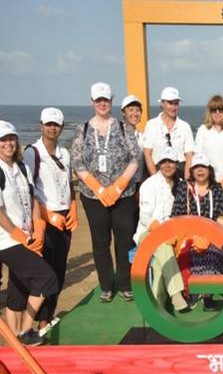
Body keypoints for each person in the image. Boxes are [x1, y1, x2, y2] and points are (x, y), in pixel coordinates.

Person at [71, 82, 140, 303]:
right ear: (92, 102)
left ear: (111, 101)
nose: (102, 103)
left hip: (124, 194)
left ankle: (126, 283)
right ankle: (106, 285)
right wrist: (99, 189)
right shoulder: (81, 129)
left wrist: (118, 187)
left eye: (106, 99)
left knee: (124, 240)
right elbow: (77, 161)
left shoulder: (123, 128)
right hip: (93, 197)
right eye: (98, 100)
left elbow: (135, 158)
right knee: (100, 242)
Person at [0, 121, 57, 346]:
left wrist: (36, 227)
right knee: (46, 277)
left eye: (11, 138)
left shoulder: (22, 167)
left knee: (18, 288)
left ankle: (14, 342)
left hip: (25, 235)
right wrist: (19, 236)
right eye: (3, 140)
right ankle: (26, 331)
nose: (8, 143)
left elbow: (32, 198)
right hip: (6, 239)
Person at [23, 108, 76, 332]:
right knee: (47, 274)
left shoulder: (65, 153)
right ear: (41, 125)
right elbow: (29, 191)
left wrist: (74, 207)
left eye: (56, 125)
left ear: (62, 128)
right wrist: (47, 215)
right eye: (48, 124)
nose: (52, 128)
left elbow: (69, 184)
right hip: (44, 220)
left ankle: (47, 319)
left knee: (60, 270)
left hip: (64, 218)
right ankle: (37, 321)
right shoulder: (32, 152)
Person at [133, 146, 190, 312]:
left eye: (171, 162)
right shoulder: (149, 185)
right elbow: (145, 217)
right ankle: (176, 293)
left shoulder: (180, 184)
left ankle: (157, 301)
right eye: (164, 162)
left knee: (160, 261)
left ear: (176, 164)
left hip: (173, 233)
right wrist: (163, 233)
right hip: (148, 232)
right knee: (163, 245)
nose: (167, 165)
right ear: (158, 164)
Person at [171, 152, 223, 311]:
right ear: (192, 171)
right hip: (188, 234)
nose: (200, 171)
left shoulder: (217, 189)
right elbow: (176, 215)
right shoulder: (184, 188)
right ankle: (192, 292)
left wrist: (212, 234)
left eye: (203, 167)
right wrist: (191, 235)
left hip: (212, 234)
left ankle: (208, 293)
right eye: (196, 167)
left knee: (212, 251)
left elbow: (222, 216)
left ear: (209, 169)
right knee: (189, 251)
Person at [142, 86, 194, 178]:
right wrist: (155, 178)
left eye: (176, 103)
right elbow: (147, 153)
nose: (174, 107)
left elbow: (189, 155)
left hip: (179, 171)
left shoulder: (185, 126)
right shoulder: (151, 125)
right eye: (170, 103)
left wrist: (187, 180)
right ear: (162, 104)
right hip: (157, 170)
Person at [121, 94, 146, 185]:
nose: (135, 114)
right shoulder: (117, 136)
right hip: (121, 186)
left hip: (138, 184)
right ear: (123, 113)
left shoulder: (143, 137)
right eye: (131, 110)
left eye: (138, 110)